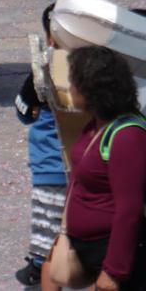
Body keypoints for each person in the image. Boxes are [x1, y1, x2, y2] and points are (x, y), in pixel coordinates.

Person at [60, 46, 146, 289]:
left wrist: (113, 272)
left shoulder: (127, 136)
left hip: (112, 260)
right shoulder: (95, 125)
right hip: (87, 253)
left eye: (73, 82)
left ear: (91, 89)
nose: (70, 89)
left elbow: (129, 209)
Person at [14, 3, 66, 288]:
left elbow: (22, 111)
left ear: (49, 38)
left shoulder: (43, 69)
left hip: (51, 165)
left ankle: (39, 266)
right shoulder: (98, 65)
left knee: (48, 222)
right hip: (89, 163)